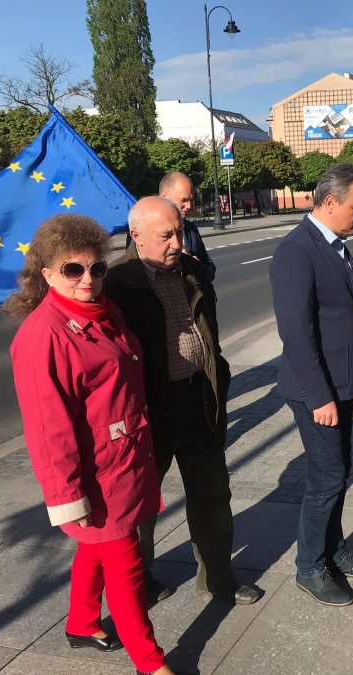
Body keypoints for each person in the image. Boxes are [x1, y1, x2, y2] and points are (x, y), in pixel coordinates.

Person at [4, 214, 172, 675]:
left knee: (97, 548)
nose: (88, 279)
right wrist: (66, 495)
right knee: (125, 563)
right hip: (97, 474)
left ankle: (81, 622)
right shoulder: (44, 335)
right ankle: (151, 663)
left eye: (96, 268)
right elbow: (48, 429)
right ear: (47, 274)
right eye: (72, 270)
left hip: (121, 460)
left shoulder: (101, 310)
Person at [105, 196, 260, 607]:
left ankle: (219, 579)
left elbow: (208, 330)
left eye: (179, 232)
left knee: (213, 493)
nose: (177, 242)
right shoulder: (117, 283)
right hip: (151, 407)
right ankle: (138, 583)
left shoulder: (191, 270)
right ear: (136, 236)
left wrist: (217, 373)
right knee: (141, 505)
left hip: (199, 395)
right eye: (166, 236)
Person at [269, 164, 353, 607]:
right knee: (326, 477)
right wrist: (319, 396)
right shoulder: (297, 251)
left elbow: (347, 318)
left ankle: (335, 551)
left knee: (339, 471)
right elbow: (297, 334)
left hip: (342, 382)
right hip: (314, 390)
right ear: (330, 202)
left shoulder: (337, 246)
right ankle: (310, 566)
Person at [125, 172, 216, 282]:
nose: (189, 206)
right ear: (164, 196)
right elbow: (132, 271)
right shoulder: (142, 227)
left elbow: (210, 270)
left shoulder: (191, 230)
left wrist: (196, 266)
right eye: (183, 200)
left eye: (191, 200)